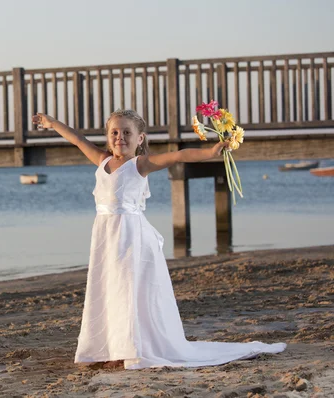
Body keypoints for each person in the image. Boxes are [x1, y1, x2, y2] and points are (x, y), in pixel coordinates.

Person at [31, 109, 286, 370]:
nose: (120, 137)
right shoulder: (102, 161)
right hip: (105, 238)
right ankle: (109, 345)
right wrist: (52, 123)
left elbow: (179, 155)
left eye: (127, 133)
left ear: (140, 138)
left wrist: (210, 153)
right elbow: (77, 139)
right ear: (108, 137)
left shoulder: (140, 164)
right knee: (108, 290)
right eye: (114, 133)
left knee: (126, 290)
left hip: (130, 237)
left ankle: (130, 347)